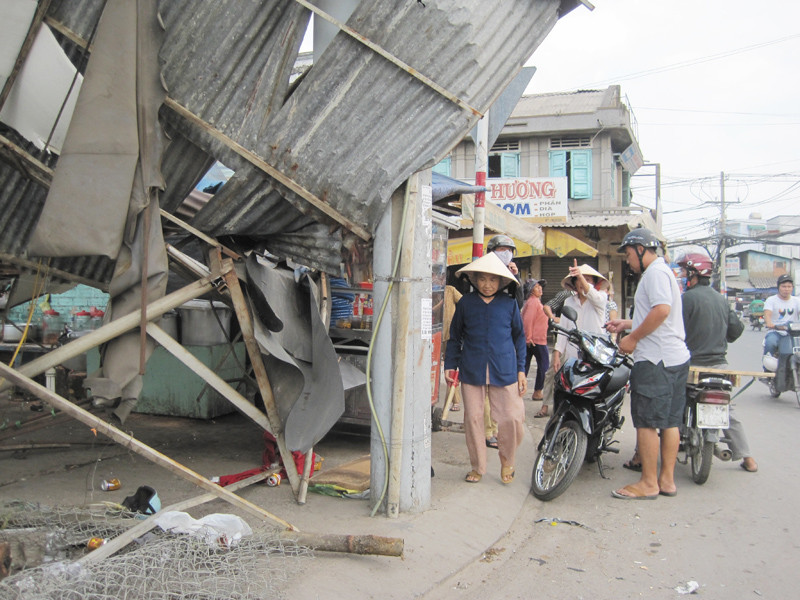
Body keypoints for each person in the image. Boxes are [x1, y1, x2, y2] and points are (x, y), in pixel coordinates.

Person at [606, 228, 691, 499]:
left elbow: (661, 311)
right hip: (675, 358)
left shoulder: (654, 274)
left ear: (641, 250)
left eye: (630, 254)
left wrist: (632, 338)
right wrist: (628, 323)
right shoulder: (665, 273)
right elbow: (658, 313)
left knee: (646, 422)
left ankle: (648, 483)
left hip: (656, 361)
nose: (629, 260)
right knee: (669, 422)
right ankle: (666, 481)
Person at [444, 252, 527, 485]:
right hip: (472, 368)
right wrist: (449, 366)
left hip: (505, 369)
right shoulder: (466, 304)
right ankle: (478, 466)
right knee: (473, 419)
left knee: (512, 418)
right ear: (474, 280)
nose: (487, 285)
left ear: (501, 282)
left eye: (492, 280)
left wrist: (521, 370)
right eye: (482, 279)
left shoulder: (509, 305)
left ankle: (507, 460)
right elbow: (455, 337)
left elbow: (519, 338)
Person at [676, 253, 756, 472]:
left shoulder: (685, 299)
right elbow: (736, 331)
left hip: (691, 365)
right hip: (718, 366)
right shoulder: (721, 299)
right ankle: (747, 457)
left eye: (684, 272)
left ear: (693, 275)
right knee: (728, 408)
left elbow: (675, 332)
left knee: (676, 402)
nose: (683, 276)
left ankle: (671, 444)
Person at [550, 260, 610, 394]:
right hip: (573, 356)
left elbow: (594, 296)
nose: (584, 283)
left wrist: (581, 276)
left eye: (588, 280)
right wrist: (556, 354)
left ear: (594, 284)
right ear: (574, 284)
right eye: (581, 280)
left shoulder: (601, 298)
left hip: (594, 356)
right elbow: (563, 330)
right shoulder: (568, 302)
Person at [521, 278, 549, 401]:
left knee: (525, 365)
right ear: (531, 290)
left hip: (535, 339)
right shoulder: (533, 302)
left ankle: (520, 389)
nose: (540, 288)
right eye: (536, 286)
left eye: (540, 286)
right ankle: (537, 391)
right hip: (536, 340)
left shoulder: (534, 301)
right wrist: (528, 337)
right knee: (544, 366)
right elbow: (528, 320)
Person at [762, 274, 800, 358]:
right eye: (784, 286)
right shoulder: (771, 300)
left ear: (792, 288)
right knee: (770, 343)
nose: (786, 289)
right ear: (778, 287)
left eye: (789, 286)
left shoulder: (797, 301)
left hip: (794, 333)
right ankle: (768, 367)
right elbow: (767, 314)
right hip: (776, 331)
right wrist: (769, 323)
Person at [487, 234, 524, 308]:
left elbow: (518, 303)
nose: (507, 253)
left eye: (509, 250)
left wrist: (515, 276)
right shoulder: (484, 270)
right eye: (502, 249)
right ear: (491, 251)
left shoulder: (509, 273)